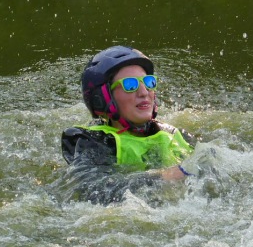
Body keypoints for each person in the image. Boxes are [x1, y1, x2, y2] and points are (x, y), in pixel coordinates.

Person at [60, 45, 195, 203]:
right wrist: (164, 177)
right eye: (130, 85)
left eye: (148, 82)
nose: (144, 92)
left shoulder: (178, 136)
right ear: (103, 97)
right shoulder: (94, 143)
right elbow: (94, 191)